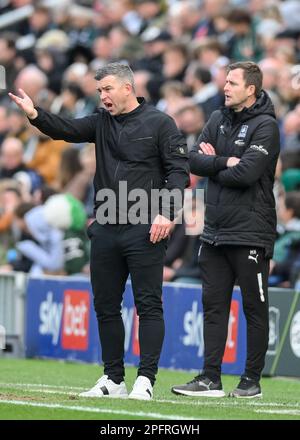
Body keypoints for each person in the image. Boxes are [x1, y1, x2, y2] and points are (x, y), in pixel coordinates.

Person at [9, 62, 190, 400]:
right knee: (106, 306)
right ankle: (113, 379)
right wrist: (35, 114)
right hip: (106, 227)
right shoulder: (101, 122)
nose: (103, 96)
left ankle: (146, 381)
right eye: (100, 91)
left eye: (107, 89)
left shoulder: (161, 123)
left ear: (127, 88)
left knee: (148, 304)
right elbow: (66, 129)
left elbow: (178, 172)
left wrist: (166, 213)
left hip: (145, 226)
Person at [171, 61, 280, 398]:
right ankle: (209, 378)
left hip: (250, 231)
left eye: (232, 82)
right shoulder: (217, 118)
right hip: (214, 229)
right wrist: (224, 161)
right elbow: (192, 160)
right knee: (214, 306)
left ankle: (251, 381)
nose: (225, 87)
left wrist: (217, 163)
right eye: (225, 81)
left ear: (251, 89)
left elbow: (246, 175)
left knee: (253, 308)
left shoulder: (266, 127)